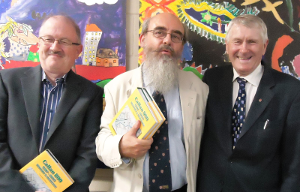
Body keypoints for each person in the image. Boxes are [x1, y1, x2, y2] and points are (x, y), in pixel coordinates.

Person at [96, 13, 208, 192]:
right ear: (143, 39)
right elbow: (102, 143)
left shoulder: (199, 89)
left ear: (181, 46)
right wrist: (121, 146)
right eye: (159, 33)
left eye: (176, 36)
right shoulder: (117, 87)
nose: (167, 41)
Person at [197, 14, 300, 191]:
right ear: (228, 46)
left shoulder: (290, 90)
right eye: (237, 42)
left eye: (252, 42)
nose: (243, 49)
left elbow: (295, 163)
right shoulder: (211, 80)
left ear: (265, 46)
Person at [0, 15, 103, 191]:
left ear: (78, 50)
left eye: (64, 41)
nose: (55, 47)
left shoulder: (91, 94)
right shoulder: (6, 81)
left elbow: (88, 153)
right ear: (39, 43)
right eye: (48, 39)